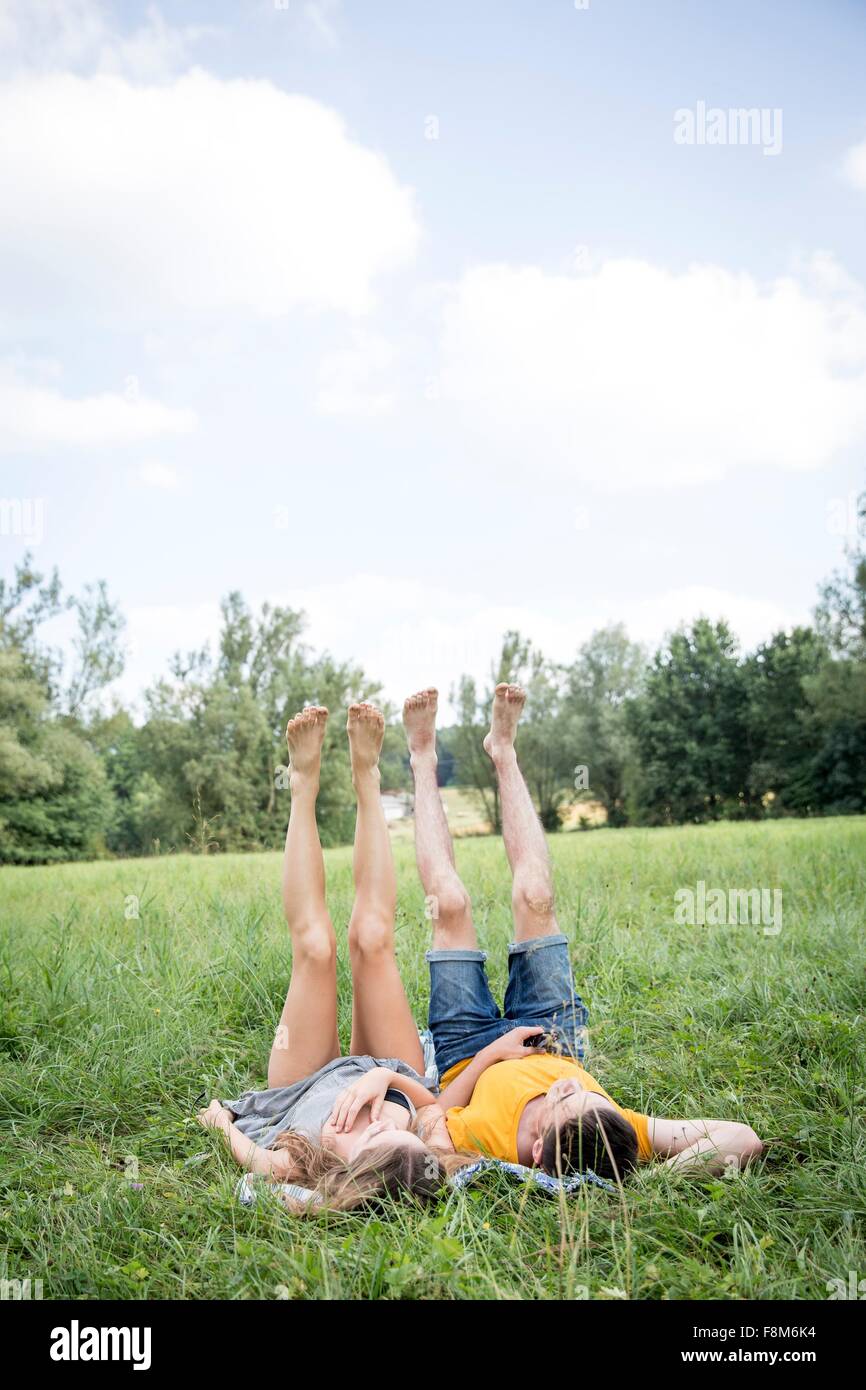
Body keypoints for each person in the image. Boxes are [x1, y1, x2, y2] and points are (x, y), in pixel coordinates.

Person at [403, 683, 764, 1183]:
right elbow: (741, 1139)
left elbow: (430, 1119)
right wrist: (643, 1181)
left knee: (449, 904)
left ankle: (422, 757)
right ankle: (503, 751)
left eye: (566, 1099)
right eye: (586, 1095)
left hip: (469, 1054)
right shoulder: (610, 1129)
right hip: (551, 1032)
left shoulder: (488, 1138)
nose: (576, 1089)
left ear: (534, 1153)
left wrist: (493, 1053)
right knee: (536, 898)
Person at [198, 702, 446, 1213]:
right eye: (400, 1133)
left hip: (299, 1087)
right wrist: (388, 1081)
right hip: (389, 1064)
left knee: (315, 948)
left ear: (352, 1167)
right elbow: (436, 1107)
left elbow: (248, 1160)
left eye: (374, 1137)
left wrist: (221, 1122)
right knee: (372, 939)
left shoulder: (304, 1162)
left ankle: (303, 785)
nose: (379, 1122)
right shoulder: (416, 1145)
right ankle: (367, 778)